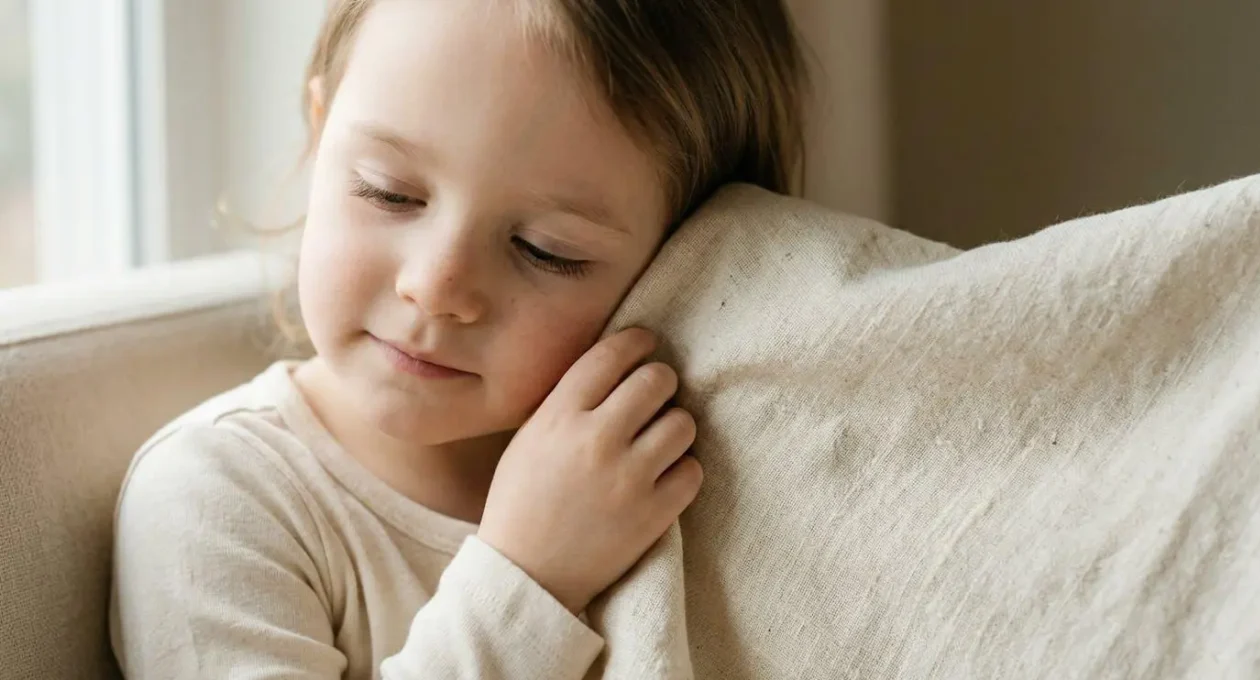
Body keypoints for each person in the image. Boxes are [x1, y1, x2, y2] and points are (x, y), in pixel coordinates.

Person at [110, 0, 807, 676]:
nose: (436, 287)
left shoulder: (700, 474)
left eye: (545, 250)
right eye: (390, 192)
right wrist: (528, 580)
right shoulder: (216, 498)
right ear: (319, 135)